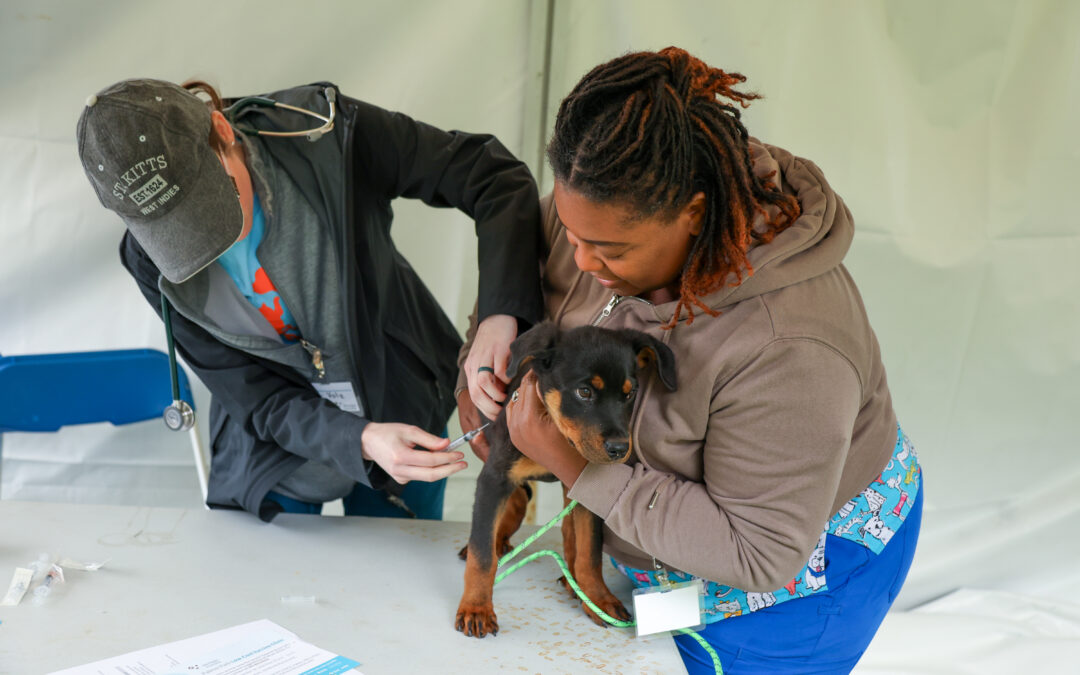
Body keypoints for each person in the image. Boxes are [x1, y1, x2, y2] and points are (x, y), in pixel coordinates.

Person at [457, 48, 922, 673]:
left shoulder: (792, 346)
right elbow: (537, 285)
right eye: (571, 233)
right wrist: (490, 333)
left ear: (695, 215)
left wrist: (574, 465)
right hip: (650, 536)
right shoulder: (608, 197)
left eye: (607, 249)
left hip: (787, 582)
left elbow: (758, 552)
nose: (583, 262)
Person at [76, 78, 543, 522]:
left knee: (398, 583)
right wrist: (358, 438)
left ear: (222, 130)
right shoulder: (146, 263)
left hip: (401, 404)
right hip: (278, 457)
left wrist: (499, 317)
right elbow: (255, 397)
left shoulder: (326, 135)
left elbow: (491, 177)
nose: (212, 241)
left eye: (215, 204)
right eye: (181, 236)